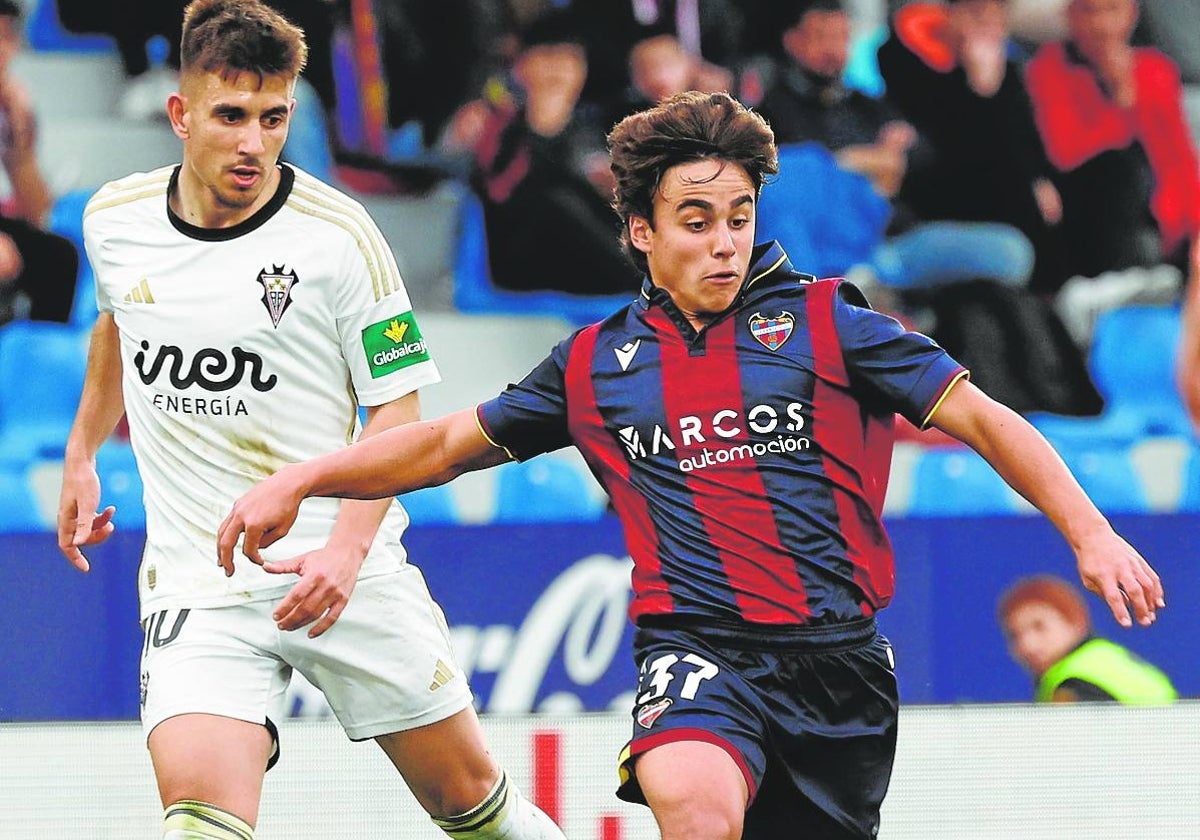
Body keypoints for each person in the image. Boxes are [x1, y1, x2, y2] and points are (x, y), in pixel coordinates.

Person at [217, 90, 1165, 840]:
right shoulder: (594, 365)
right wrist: (304, 478)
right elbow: (438, 445)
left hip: (838, 668)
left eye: (738, 217)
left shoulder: (833, 322)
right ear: (641, 230)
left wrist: (1090, 533)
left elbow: (992, 422)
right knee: (698, 810)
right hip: (698, 650)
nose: (723, 241)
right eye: (696, 219)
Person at [55, 3, 565, 840]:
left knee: (475, 810)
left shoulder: (340, 238)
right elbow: (116, 325)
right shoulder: (115, 221)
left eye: (274, 117)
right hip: (201, 581)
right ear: (181, 115)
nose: (253, 142)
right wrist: (81, 454)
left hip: (341, 568)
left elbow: (397, 403)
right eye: (230, 116)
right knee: (199, 825)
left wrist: (345, 550)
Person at [877, 0, 1069, 295]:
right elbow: (952, 145)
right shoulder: (903, 60)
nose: (986, 29)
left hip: (1001, 205)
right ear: (950, 14)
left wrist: (1039, 177)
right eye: (977, 15)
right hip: (939, 203)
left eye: (996, 20)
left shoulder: (1007, 70)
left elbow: (1024, 138)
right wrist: (980, 91)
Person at [1025, 0, 1199, 323]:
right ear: (1072, 15)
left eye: (1112, 10)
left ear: (1131, 14)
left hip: (1164, 227)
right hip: (1093, 225)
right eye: (1091, 11)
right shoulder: (1048, 69)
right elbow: (1065, 155)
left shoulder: (1155, 69)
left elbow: (1179, 160)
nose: (1102, 25)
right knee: (1119, 169)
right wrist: (1121, 100)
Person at [0, 0, 79, 325]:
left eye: (6, 37)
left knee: (58, 255)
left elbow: (37, 212)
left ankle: (38, 363)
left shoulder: (11, 103)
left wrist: (21, 136)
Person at [998, 574, 1177, 703]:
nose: (1027, 644)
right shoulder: (1106, 656)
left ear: (1075, 621)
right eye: (1014, 635)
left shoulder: (1075, 684)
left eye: (1039, 627)